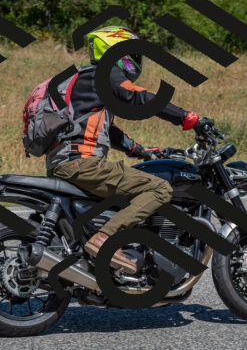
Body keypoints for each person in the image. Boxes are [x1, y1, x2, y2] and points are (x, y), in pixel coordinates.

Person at [46, 26, 213, 274]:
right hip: (83, 163)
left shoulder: (84, 79)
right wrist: (188, 118)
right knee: (159, 188)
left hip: (63, 162)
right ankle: (106, 239)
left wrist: (142, 152)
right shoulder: (105, 73)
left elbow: (107, 131)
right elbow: (140, 98)